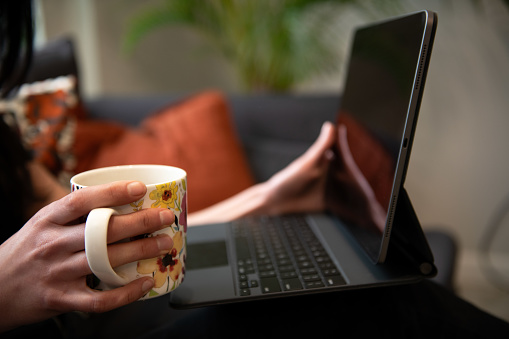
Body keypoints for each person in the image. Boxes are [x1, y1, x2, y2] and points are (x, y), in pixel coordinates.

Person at [1, 2, 509, 338]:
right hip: (88, 327)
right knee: (360, 304)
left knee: (375, 291)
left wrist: (271, 197)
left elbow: (80, 235)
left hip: (112, 305)